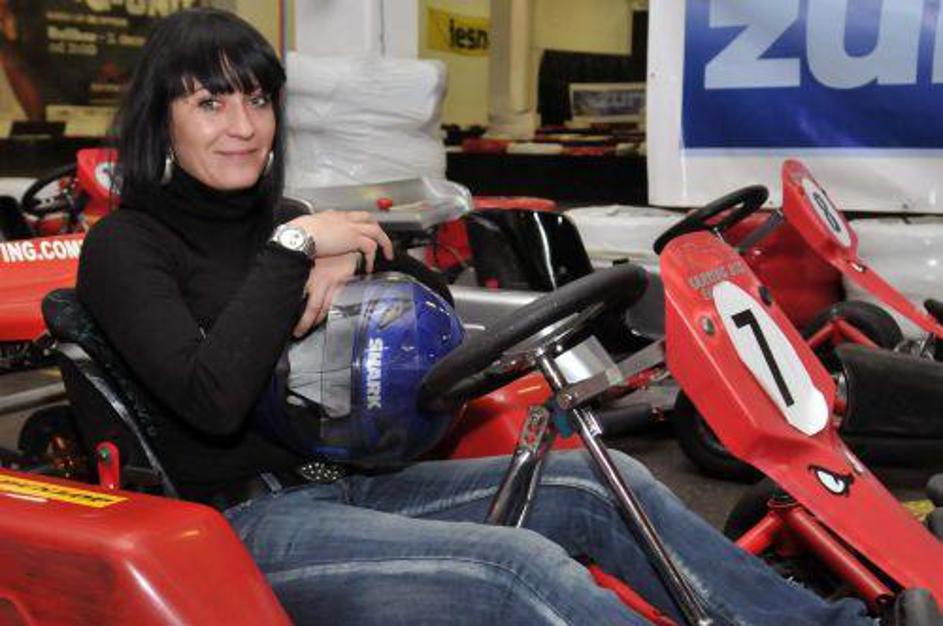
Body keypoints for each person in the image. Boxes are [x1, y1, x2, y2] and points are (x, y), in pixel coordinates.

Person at [74, 8, 912, 626]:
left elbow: (428, 305)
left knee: (599, 483)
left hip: (353, 484)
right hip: (239, 525)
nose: (242, 127)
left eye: (257, 101)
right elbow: (211, 399)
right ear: (162, 119)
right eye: (210, 104)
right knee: (515, 570)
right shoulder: (127, 246)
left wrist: (353, 260)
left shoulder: (287, 220)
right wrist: (293, 251)